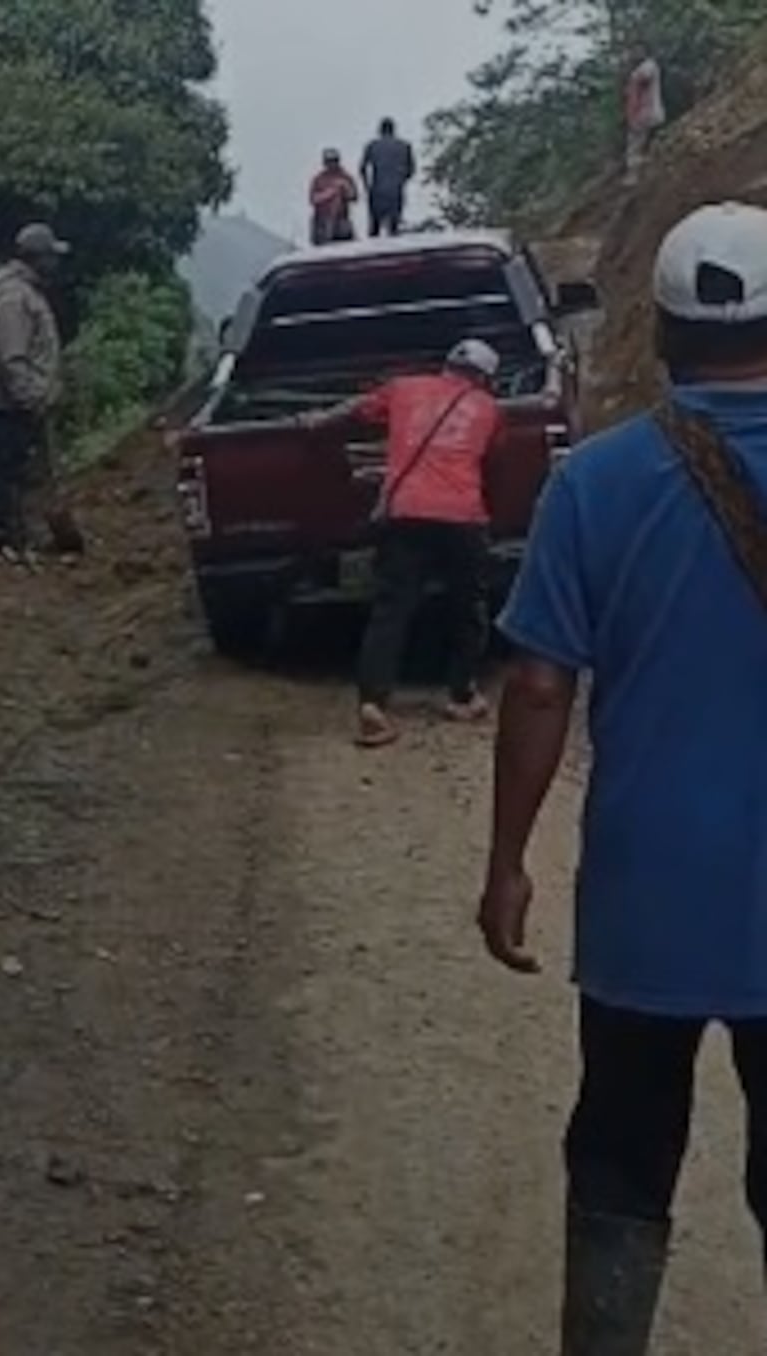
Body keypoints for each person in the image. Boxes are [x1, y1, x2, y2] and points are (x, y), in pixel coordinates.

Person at [478, 202, 767, 1352]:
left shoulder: (593, 483)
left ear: (658, 330)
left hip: (645, 895)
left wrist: (504, 864)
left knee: (619, 1157)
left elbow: (540, 689)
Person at [311, 339, 503, 747]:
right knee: (467, 606)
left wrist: (312, 420)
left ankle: (373, 706)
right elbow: (487, 454)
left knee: (392, 609)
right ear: (484, 378)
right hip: (461, 516)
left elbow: (353, 410)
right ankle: (462, 695)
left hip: (407, 510)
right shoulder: (487, 408)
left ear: (446, 365)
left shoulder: (404, 388)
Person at [0, 222, 68, 563]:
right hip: (13, 405)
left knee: (20, 473)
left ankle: (20, 537)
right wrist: (30, 399)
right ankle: (10, 540)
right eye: (51, 256)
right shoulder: (14, 296)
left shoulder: (22, 292)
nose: (56, 264)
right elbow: (12, 356)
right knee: (11, 473)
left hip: (19, 402)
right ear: (37, 258)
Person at [361, 118, 416, 238]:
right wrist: (401, 181)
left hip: (377, 190)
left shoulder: (372, 146)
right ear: (393, 130)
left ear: (380, 130)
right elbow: (411, 169)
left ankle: (373, 253)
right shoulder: (404, 146)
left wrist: (367, 187)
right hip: (395, 191)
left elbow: (362, 169)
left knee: (374, 229)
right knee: (394, 228)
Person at [624, 55, 666, 186]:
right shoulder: (648, 67)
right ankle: (647, 171)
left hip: (644, 114)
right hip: (649, 113)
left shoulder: (646, 67)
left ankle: (635, 178)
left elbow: (641, 82)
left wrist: (633, 114)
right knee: (643, 145)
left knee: (635, 147)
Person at [309, 149, 359, 246]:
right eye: (329, 161)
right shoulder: (319, 179)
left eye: (334, 161)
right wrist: (330, 192)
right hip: (322, 222)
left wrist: (345, 187)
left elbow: (354, 197)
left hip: (341, 221)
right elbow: (313, 199)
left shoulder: (346, 177)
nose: (331, 164)